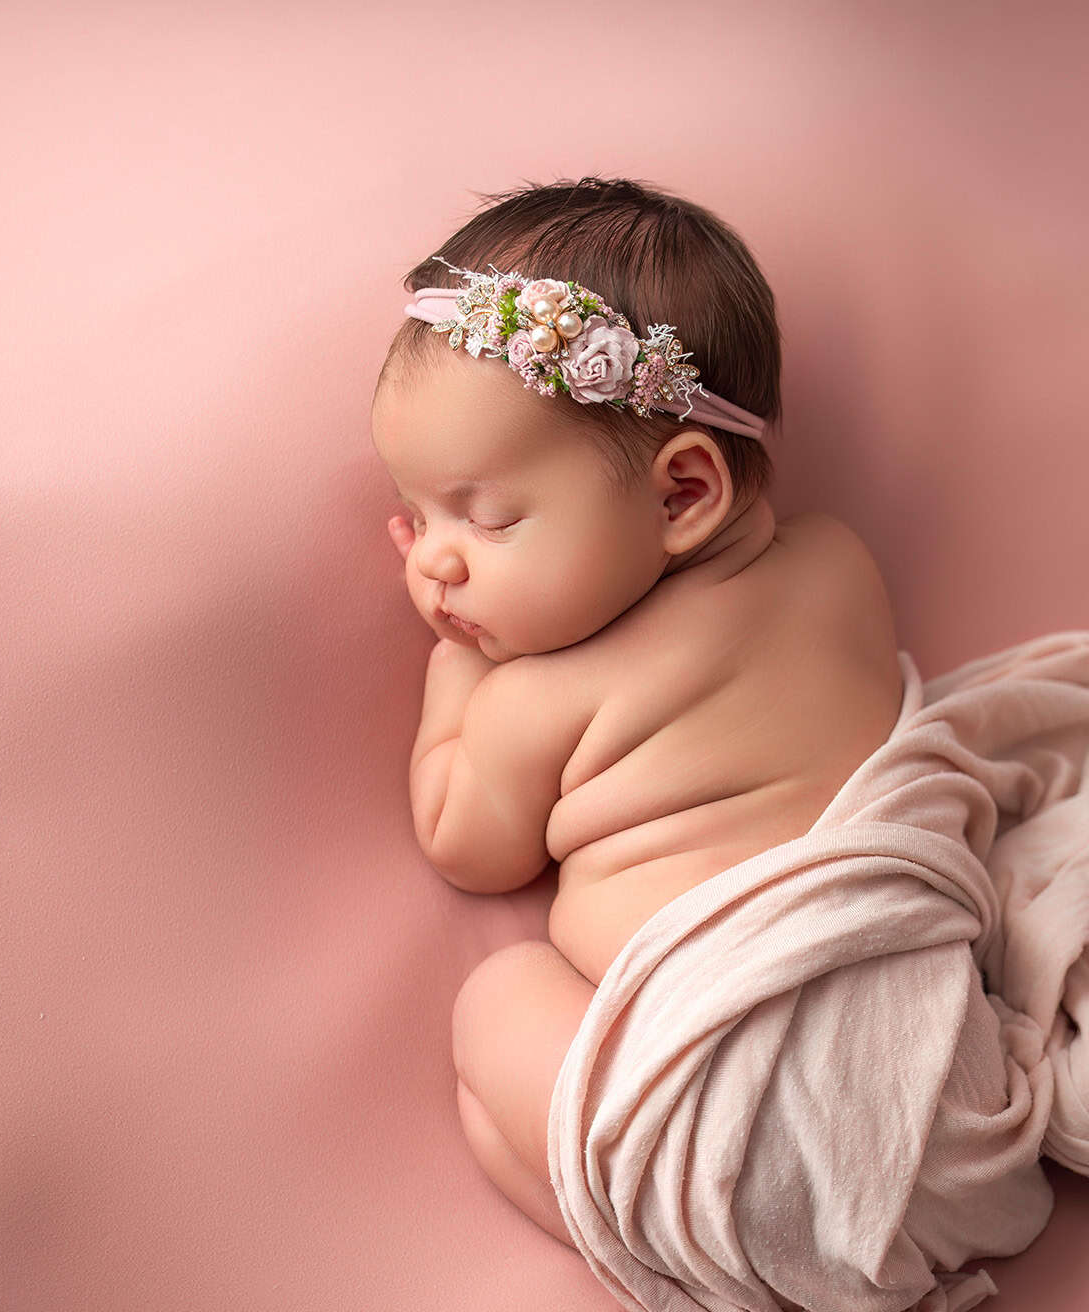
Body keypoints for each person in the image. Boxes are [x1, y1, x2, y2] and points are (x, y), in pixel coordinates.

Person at [367, 176, 905, 1248]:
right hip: (899, 1072)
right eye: (415, 515)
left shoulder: (529, 699)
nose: (432, 562)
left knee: (496, 1004)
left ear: (679, 497)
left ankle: (650, 1238)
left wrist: (453, 684)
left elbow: (463, 847)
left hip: (725, 1108)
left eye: (487, 518)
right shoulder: (841, 565)